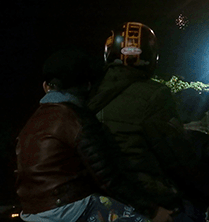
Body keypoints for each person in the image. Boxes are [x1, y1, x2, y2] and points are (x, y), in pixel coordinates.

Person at [16, 49, 172, 222]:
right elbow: (109, 179)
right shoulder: (77, 118)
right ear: (88, 85)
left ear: (46, 87)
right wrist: (153, 210)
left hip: (31, 213)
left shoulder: (31, 123)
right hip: (69, 209)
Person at [87, 23, 199, 217]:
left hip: (103, 201)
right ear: (151, 55)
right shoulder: (156, 95)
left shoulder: (89, 94)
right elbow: (176, 155)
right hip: (149, 198)